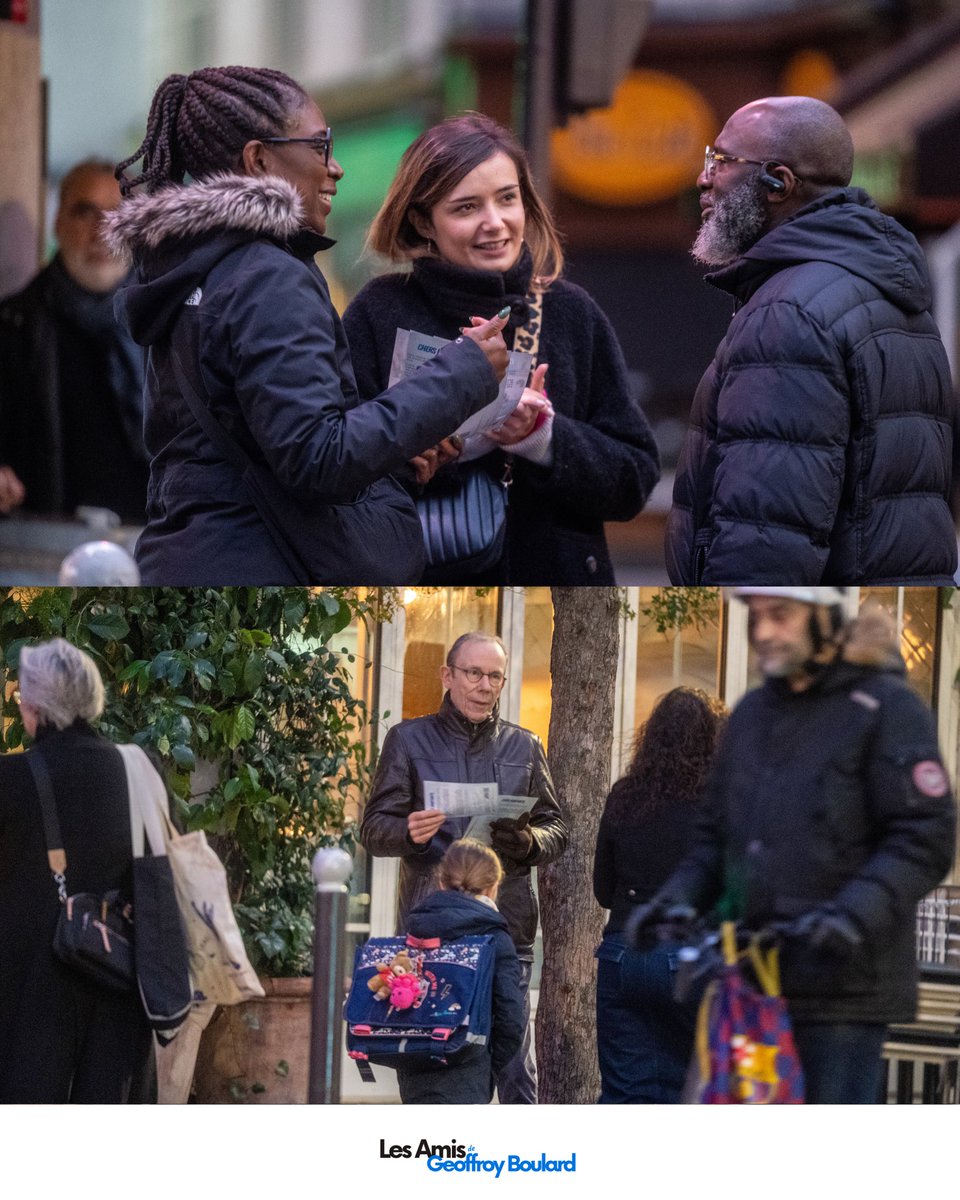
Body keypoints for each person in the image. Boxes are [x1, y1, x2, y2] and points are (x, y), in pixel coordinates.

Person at [104, 68, 510, 585]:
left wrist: (396, 457)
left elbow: (264, 440)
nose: (335, 167)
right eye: (321, 145)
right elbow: (318, 459)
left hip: (193, 551)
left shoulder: (192, 268)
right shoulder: (266, 275)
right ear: (259, 159)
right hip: (258, 560)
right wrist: (464, 371)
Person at [631, 587, 957, 1104]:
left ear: (825, 618)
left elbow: (926, 836)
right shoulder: (751, 715)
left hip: (844, 995)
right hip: (752, 981)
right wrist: (677, 897)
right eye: (755, 616)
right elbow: (715, 837)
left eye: (780, 615)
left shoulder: (886, 708)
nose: (763, 632)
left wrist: (851, 915)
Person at [343, 113, 661, 584]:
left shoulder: (570, 312)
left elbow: (634, 479)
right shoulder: (379, 311)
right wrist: (412, 453)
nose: (495, 224)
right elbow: (330, 465)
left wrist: (543, 438)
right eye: (466, 208)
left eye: (507, 199)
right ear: (421, 221)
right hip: (420, 584)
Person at [666, 96, 957, 585]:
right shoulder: (889, 289)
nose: (704, 178)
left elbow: (765, 536)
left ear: (778, 182)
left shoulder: (788, 311)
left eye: (721, 161)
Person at [360, 631, 567, 1102]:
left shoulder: (525, 746)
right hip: (435, 937)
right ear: (448, 676)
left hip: (505, 930)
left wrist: (530, 841)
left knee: (516, 1072)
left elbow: (556, 827)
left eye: (495, 676)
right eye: (474, 673)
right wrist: (406, 831)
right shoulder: (408, 740)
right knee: (437, 1072)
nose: (484, 686)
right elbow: (373, 830)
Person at [0, 638, 156, 1102]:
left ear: (33, 706)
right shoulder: (140, 772)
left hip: (28, 993)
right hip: (121, 981)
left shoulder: (9, 781)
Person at [593, 686, 727, 1103]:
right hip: (687, 957)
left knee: (624, 1092)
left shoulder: (625, 795)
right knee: (690, 1089)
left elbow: (602, 890)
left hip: (622, 955)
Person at [0, 160, 148, 523]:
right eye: (85, 212)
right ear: (58, 223)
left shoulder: (172, 328)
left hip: (154, 551)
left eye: (117, 215)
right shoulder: (10, 327)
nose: (101, 231)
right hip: (39, 547)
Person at [397, 839, 525, 1104]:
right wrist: (487, 1062)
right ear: (493, 888)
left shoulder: (417, 929)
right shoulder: (495, 939)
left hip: (415, 1069)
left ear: (441, 882)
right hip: (470, 1073)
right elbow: (511, 1018)